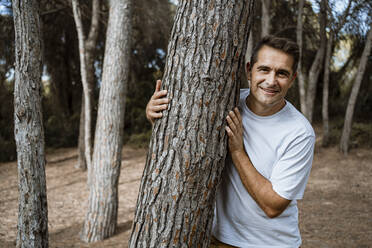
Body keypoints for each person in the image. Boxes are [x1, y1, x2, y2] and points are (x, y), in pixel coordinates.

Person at [146, 35, 315, 248]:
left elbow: (273, 205)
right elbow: (186, 138)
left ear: (292, 79)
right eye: (264, 69)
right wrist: (155, 116)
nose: (271, 81)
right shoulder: (225, 102)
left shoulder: (299, 132)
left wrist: (237, 151)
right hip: (215, 239)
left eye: (282, 73)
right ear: (249, 70)